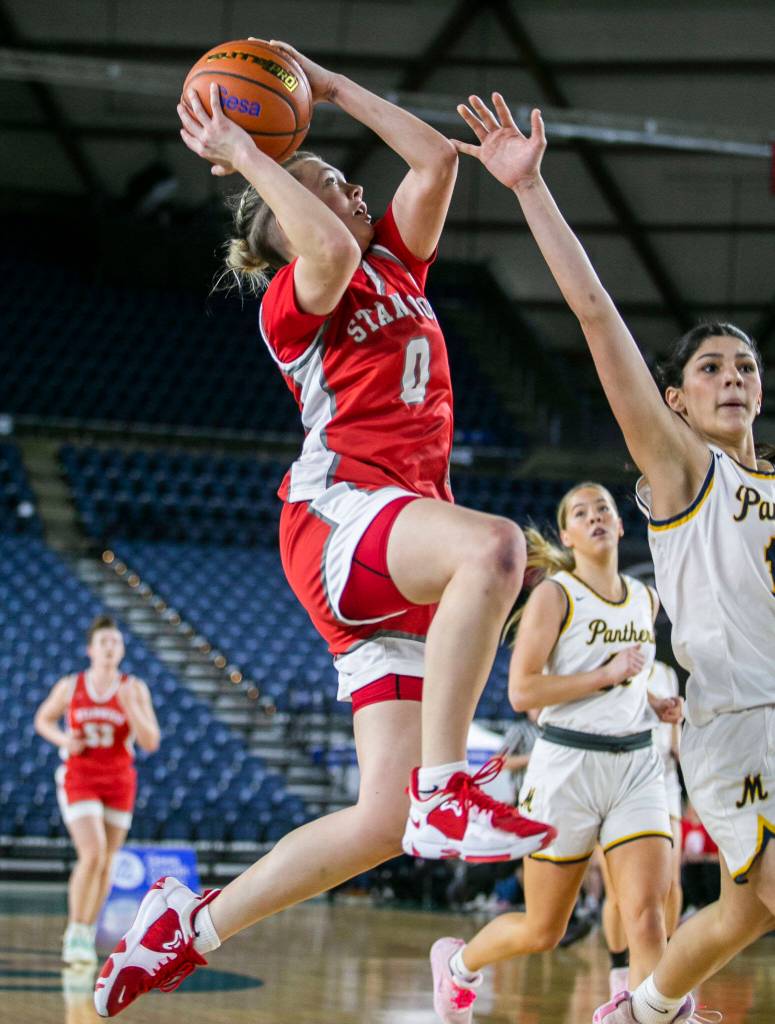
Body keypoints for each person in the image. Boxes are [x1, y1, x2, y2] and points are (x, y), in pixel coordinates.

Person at [92, 43, 553, 1018]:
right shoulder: (295, 297)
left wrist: (330, 86)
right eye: (323, 182)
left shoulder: (396, 262)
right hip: (343, 518)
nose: (346, 184)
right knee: (496, 547)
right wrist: (251, 155)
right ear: (276, 227)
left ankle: (185, 928)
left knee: (379, 823)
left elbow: (433, 162)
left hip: (392, 547)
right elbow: (327, 248)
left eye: (341, 176)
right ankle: (446, 781)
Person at [452, 92, 774, 1024]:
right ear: (673, 401)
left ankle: (642, 1007)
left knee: (747, 909)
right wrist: (533, 189)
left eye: (744, 367)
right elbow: (596, 318)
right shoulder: (681, 473)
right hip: (739, 727)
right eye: (709, 368)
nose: (730, 378)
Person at [427, 482, 682, 1024]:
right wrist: (605, 675)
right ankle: (460, 966)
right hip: (568, 765)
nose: (595, 517)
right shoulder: (555, 595)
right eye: (581, 512)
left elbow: (626, 683)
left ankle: (645, 1015)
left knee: (647, 915)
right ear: (566, 534)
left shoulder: (646, 598)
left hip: (637, 764)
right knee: (545, 929)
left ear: (618, 525)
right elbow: (524, 693)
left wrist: (654, 700)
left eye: (604, 509)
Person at [33, 615, 160, 965]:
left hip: (119, 779)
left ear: (121, 650)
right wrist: (64, 738)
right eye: (103, 642)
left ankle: (87, 932)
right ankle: (74, 929)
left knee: (106, 861)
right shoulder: (71, 685)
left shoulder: (133, 688)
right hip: (80, 775)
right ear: (91, 649)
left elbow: (151, 741)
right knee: (92, 853)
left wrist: (131, 706)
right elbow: (42, 719)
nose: (109, 648)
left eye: (115, 642)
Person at [602, 660, 685, 997]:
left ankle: (664, 971)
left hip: (663, 778)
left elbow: (675, 732)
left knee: (672, 883)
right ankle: (618, 973)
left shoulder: (666, 673)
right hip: (620, 774)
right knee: (617, 893)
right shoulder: (611, 658)